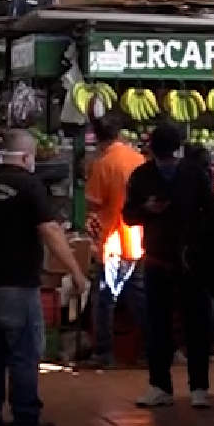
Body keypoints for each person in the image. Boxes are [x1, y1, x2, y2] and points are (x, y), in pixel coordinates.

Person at [0, 130, 88, 426]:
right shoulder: (28, 185)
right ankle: (26, 420)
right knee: (24, 355)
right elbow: (50, 232)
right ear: (28, 158)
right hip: (17, 284)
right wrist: (76, 270)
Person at [122, 121, 214, 409]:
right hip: (181, 259)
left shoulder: (143, 175)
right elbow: (212, 211)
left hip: (163, 259)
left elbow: (128, 216)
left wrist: (145, 210)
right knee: (191, 324)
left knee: (165, 324)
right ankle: (196, 387)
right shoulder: (196, 174)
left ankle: (163, 385)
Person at [82, 114, 146, 368]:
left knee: (105, 300)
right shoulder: (138, 159)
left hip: (113, 242)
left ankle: (104, 353)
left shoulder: (103, 164)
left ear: (97, 138)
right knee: (140, 299)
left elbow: (94, 202)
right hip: (138, 239)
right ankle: (151, 351)